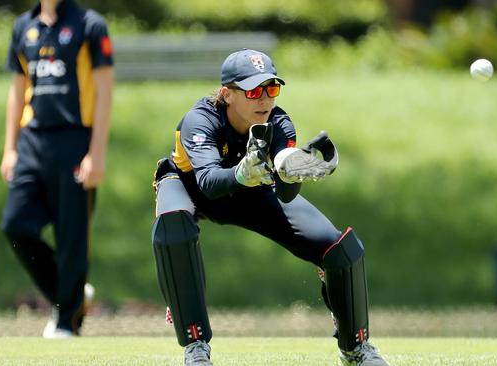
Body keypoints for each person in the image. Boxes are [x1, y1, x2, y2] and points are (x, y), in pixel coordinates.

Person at [151, 49, 389, 366]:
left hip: (251, 191)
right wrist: (240, 173)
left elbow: (286, 193)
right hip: (190, 185)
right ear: (227, 94)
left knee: (341, 248)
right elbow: (207, 181)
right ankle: (195, 347)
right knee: (173, 228)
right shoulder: (201, 119)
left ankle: (355, 349)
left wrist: (291, 170)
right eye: (252, 90)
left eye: (271, 88)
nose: (264, 99)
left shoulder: (279, 122)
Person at [0, 0, 113, 338]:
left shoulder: (90, 25)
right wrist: (10, 148)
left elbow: (105, 91)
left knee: (71, 237)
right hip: (32, 141)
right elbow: (17, 90)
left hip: (76, 141)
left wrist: (96, 153)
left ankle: (66, 321)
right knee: (15, 226)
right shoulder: (23, 27)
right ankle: (71, 297)